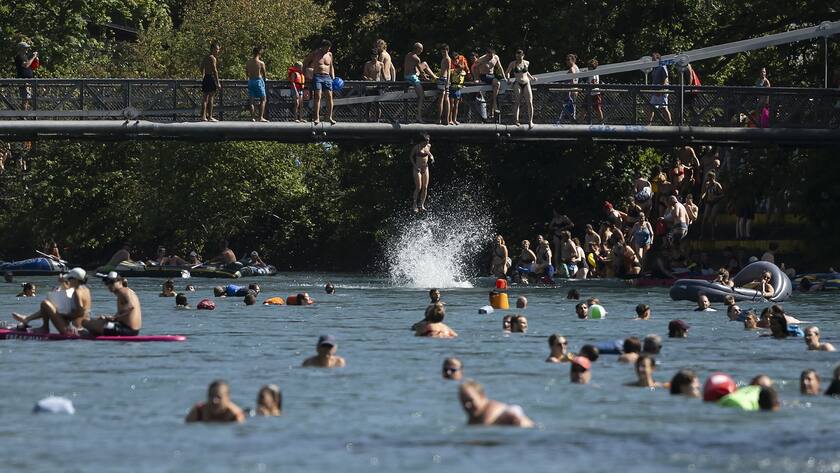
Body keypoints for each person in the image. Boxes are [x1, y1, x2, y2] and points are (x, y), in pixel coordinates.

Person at [12, 268, 91, 334]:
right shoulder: (85, 290)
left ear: (76, 280)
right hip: (81, 329)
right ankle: (27, 319)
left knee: (45, 303)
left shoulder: (77, 292)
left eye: (69, 279)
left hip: (71, 330)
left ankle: (44, 328)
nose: (68, 280)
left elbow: (80, 311)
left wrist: (65, 316)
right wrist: (63, 282)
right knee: (53, 305)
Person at [84, 272, 142, 337]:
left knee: (85, 322)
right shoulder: (127, 291)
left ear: (120, 282)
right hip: (131, 330)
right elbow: (124, 311)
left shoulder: (122, 291)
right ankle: (94, 334)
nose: (109, 285)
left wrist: (114, 319)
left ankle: (85, 335)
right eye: (107, 283)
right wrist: (109, 318)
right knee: (97, 321)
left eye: (112, 282)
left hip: (126, 331)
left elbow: (131, 308)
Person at [458, 380, 534, 427]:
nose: (467, 405)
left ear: (482, 396)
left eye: (470, 400)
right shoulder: (474, 417)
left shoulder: (494, 409)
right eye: (463, 401)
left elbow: (515, 413)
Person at [304, 40, 336, 125]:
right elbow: (305, 62)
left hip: (327, 77)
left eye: (329, 48)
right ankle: (317, 118)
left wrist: (333, 77)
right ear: (323, 47)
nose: (328, 50)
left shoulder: (330, 54)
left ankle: (329, 117)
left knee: (329, 97)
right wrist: (305, 74)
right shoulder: (315, 53)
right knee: (318, 96)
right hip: (317, 76)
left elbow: (331, 66)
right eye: (327, 48)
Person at [505, 49, 537, 128]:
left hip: (526, 83)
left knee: (530, 102)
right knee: (517, 102)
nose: (518, 59)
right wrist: (508, 79)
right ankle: (516, 120)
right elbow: (507, 72)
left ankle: (530, 121)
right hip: (517, 83)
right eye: (517, 57)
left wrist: (532, 78)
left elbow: (526, 72)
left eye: (520, 57)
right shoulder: (513, 63)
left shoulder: (526, 63)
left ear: (523, 56)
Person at [404, 43, 432, 123]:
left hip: (406, 75)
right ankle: (418, 117)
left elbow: (416, 68)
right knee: (421, 96)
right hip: (412, 77)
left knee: (425, 64)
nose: (422, 51)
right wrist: (426, 78)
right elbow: (421, 71)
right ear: (417, 49)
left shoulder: (408, 55)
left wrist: (423, 74)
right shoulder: (417, 58)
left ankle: (434, 77)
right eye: (421, 49)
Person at [475, 47, 504, 120]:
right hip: (484, 75)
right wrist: (477, 79)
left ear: (494, 54)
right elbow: (474, 68)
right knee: (497, 83)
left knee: (493, 91)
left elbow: (500, 67)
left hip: (492, 75)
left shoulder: (496, 57)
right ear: (486, 54)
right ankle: (495, 104)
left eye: (491, 56)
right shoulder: (481, 59)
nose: (490, 58)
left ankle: (491, 112)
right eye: (489, 56)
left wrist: (504, 77)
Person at [408, 133, 434, 212]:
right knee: (419, 187)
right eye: (426, 141)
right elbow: (411, 157)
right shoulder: (417, 147)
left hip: (425, 168)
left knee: (425, 187)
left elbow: (429, 154)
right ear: (422, 141)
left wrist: (432, 157)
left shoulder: (428, 146)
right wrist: (415, 166)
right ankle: (414, 204)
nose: (427, 142)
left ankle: (422, 204)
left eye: (428, 141)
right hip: (417, 168)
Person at [647, 52, 672, 125]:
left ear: (658, 59)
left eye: (653, 58)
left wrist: (660, 90)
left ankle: (670, 125)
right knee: (651, 108)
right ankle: (648, 125)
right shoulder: (655, 68)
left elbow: (665, 78)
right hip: (655, 91)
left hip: (662, 91)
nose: (652, 60)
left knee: (664, 108)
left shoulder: (662, 66)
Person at [245, 45, 268, 122]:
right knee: (263, 99)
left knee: (251, 100)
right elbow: (264, 74)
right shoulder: (261, 63)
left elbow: (247, 73)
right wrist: (264, 79)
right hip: (258, 81)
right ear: (259, 53)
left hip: (250, 81)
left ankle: (252, 117)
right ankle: (260, 117)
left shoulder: (248, 62)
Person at [200, 43, 222, 121]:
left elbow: (201, 67)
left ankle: (203, 116)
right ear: (212, 49)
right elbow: (215, 70)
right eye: (217, 49)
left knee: (205, 98)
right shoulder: (213, 58)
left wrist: (203, 76)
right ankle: (210, 116)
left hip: (206, 77)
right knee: (211, 98)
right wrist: (218, 82)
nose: (218, 51)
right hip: (210, 77)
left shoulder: (206, 57)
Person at [15, 42, 36, 111]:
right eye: (25, 48)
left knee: (27, 99)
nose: (27, 49)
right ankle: (23, 115)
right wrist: (33, 57)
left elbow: (31, 66)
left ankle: (25, 114)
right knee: (25, 98)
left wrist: (35, 60)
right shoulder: (19, 57)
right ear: (21, 49)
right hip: (23, 81)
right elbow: (26, 65)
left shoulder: (25, 57)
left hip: (28, 80)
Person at [435, 44, 451, 125]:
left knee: (442, 99)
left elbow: (448, 71)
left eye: (444, 52)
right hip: (442, 79)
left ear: (447, 50)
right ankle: (444, 119)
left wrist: (448, 82)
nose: (443, 53)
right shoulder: (444, 58)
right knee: (444, 99)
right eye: (442, 52)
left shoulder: (447, 59)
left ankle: (440, 119)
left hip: (444, 80)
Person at [587, 58, 604, 123]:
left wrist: (588, 86)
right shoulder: (595, 73)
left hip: (595, 93)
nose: (588, 68)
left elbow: (593, 83)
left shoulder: (592, 74)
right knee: (584, 109)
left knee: (598, 109)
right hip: (590, 94)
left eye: (589, 66)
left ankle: (602, 123)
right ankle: (577, 125)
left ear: (592, 67)